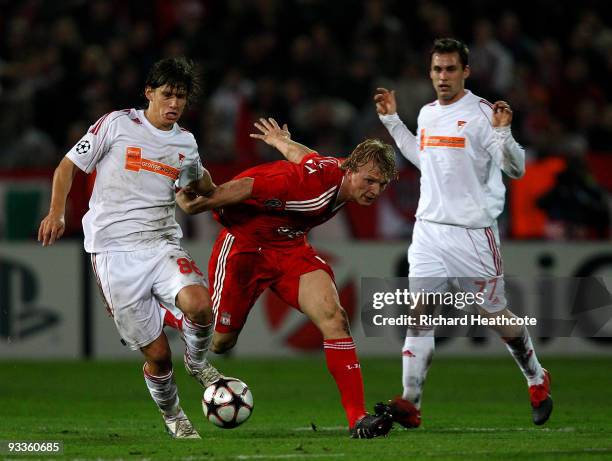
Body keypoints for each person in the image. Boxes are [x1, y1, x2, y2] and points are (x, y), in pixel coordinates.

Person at [176, 117, 398, 438]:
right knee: (221, 342)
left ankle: (357, 418)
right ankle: (175, 312)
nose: (375, 190)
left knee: (334, 318)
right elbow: (252, 186)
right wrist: (201, 204)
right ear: (351, 168)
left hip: (289, 249)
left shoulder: (334, 171)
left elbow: (305, 156)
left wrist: (280, 141)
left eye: (382, 185)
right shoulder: (309, 187)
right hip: (245, 248)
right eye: (370, 180)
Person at [38, 57, 224, 439]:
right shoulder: (117, 124)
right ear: (149, 93)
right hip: (112, 252)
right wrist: (57, 212)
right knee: (157, 356)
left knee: (200, 305)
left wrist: (206, 179)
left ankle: (197, 359)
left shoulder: (185, 142)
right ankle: (174, 414)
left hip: (160, 242)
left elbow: (196, 186)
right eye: (168, 95)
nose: (174, 104)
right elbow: (67, 167)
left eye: (182, 98)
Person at [373, 38, 552, 427]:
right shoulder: (425, 113)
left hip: (472, 233)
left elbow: (517, 170)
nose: (442, 76)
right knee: (420, 312)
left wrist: (504, 134)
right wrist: (392, 122)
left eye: (450, 69)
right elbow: (424, 159)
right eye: (437, 69)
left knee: (495, 315)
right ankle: (411, 402)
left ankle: (536, 377)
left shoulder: (483, 114)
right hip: (428, 230)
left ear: (465, 72)